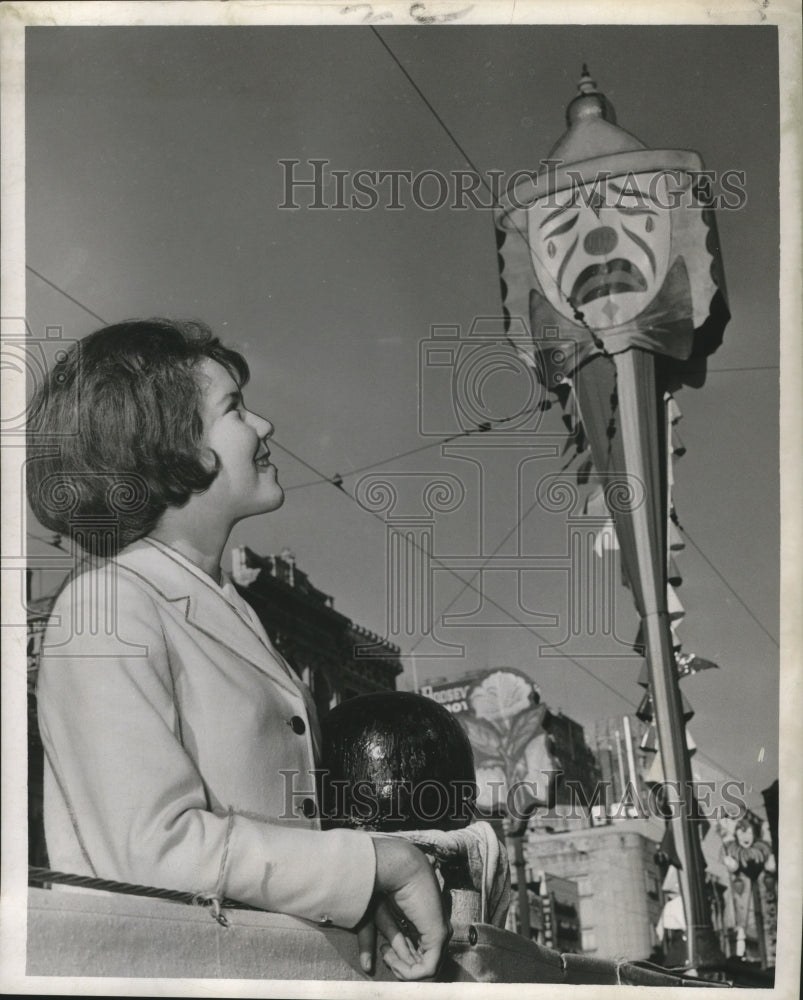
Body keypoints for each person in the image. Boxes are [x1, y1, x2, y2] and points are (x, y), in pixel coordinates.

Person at [28, 318, 450, 980]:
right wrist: (376, 863)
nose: (263, 427)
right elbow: (152, 851)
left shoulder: (216, 605)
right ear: (166, 445)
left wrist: (354, 899)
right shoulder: (105, 607)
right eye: (233, 410)